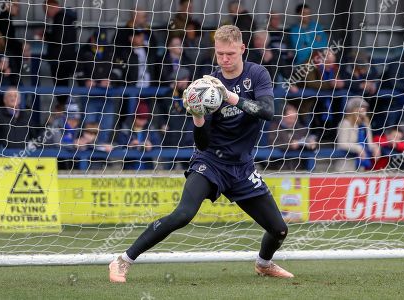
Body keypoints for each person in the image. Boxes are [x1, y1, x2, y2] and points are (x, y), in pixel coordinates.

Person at [109, 25, 293, 282]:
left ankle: (263, 264)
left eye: (230, 53)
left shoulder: (257, 73)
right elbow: (203, 143)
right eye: (220, 54)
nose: (225, 59)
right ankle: (122, 260)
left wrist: (231, 98)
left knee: (279, 230)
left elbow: (267, 111)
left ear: (242, 49)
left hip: (242, 167)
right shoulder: (207, 87)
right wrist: (198, 117)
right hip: (211, 162)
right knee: (183, 214)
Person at [42, 0, 78, 106]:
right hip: (66, 58)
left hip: (60, 60)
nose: (46, 14)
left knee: (61, 88)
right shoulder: (68, 17)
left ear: (52, 6)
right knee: (63, 86)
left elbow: (59, 38)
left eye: (46, 10)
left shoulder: (60, 17)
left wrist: (45, 36)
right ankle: (64, 107)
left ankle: (63, 109)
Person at [334, 97, 380, 172]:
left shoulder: (366, 124)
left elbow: (369, 143)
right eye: (361, 107)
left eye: (365, 108)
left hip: (361, 165)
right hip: (346, 165)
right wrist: (359, 149)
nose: (364, 110)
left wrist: (375, 147)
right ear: (353, 109)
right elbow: (342, 144)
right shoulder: (345, 123)